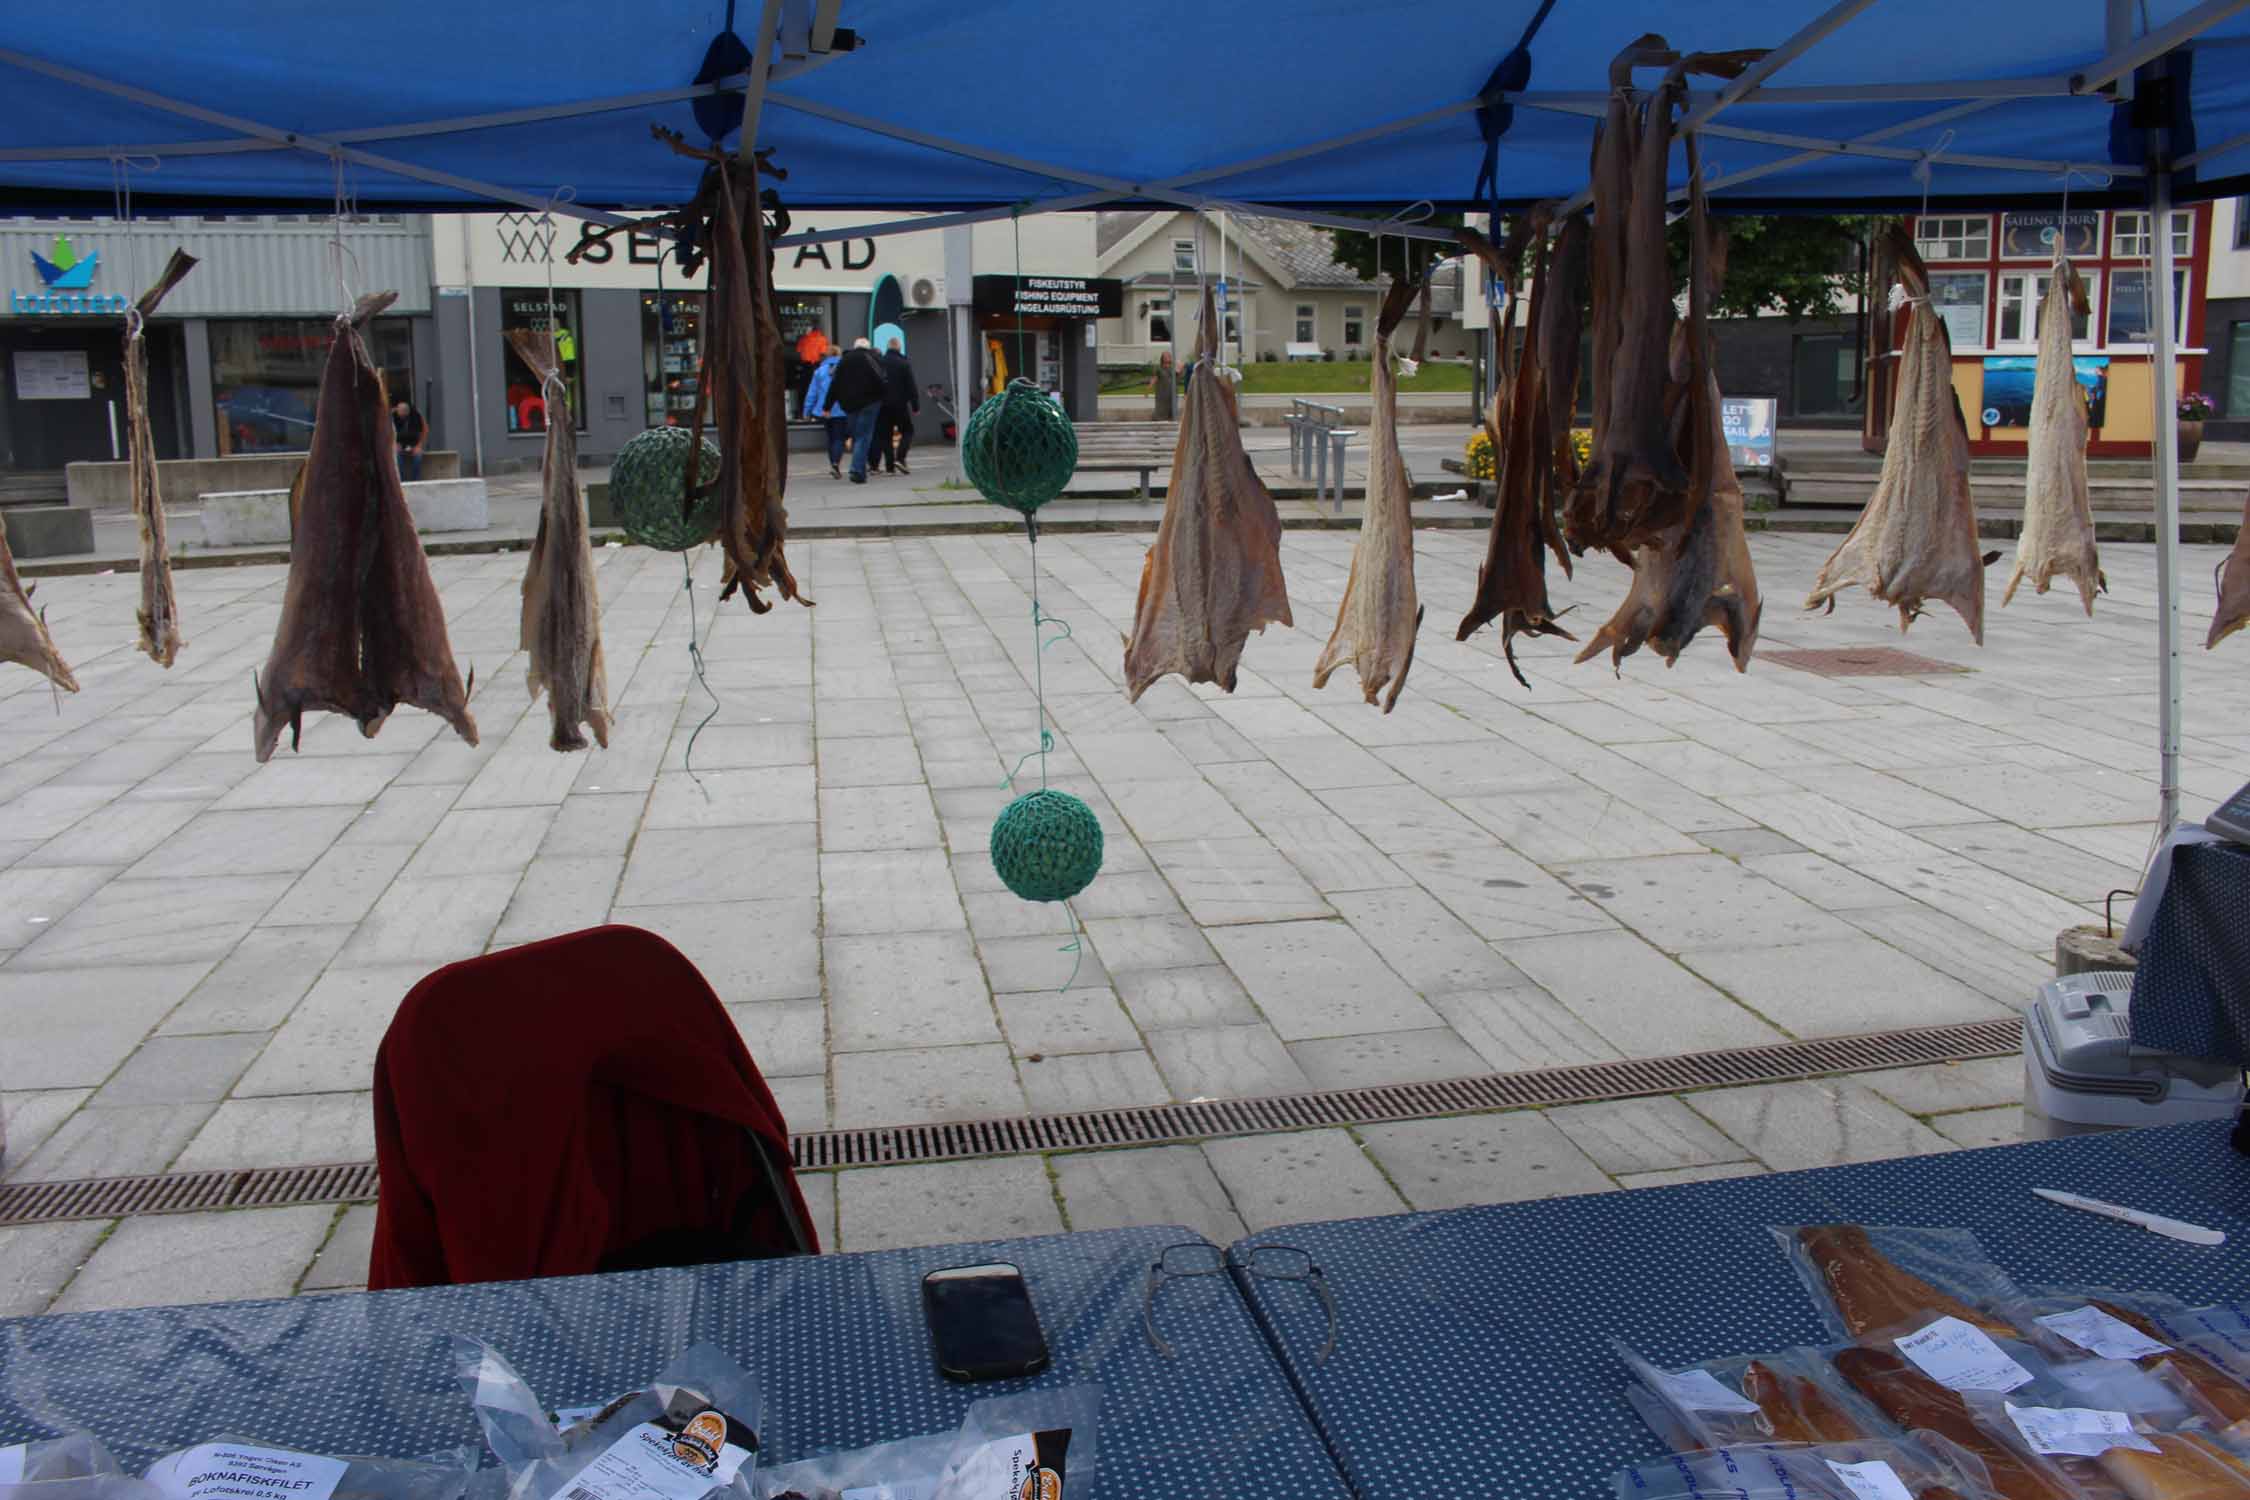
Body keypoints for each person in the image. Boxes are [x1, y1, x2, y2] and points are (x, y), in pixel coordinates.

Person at [828, 337, 888, 484]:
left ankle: (858, 468)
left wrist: (827, 405)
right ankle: (857, 470)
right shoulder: (872, 358)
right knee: (864, 436)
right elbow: (883, 379)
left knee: (857, 436)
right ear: (868, 347)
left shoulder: (844, 360)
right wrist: (882, 397)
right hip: (870, 403)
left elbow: (835, 384)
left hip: (850, 404)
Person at [802, 345, 847, 479]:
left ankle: (833, 463)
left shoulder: (819, 371)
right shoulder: (845, 370)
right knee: (839, 438)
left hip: (824, 410)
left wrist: (807, 410)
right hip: (842, 409)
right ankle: (835, 463)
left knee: (831, 437)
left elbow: (812, 393)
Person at [876, 337, 919, 475]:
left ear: (887, 347)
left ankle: (889, 467)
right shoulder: (903, 363)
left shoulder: (879, 363)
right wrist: (915, 405)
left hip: (882, 405)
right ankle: (900, 457)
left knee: (885, 436)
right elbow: (911, 386)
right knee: (907, 431)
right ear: (899, 348)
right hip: (900, 404)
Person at [392, 398, 428, 480]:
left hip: (414, 443)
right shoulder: (391, 416)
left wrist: (419, 445)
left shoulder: (416, 415)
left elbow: (425, 430)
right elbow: (386, 433)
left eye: (404, 416)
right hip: (398, 443)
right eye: (400, 415)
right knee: (396, 457)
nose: (402, 418)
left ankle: (416, 480)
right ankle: (401, 480)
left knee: (418, 457)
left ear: (408, 412)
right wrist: (394, 444)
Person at [1151, 349, 1176, 422]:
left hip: (1171, 394)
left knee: (1171, 410)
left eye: (1169, 356)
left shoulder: (1172, 369)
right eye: (1167, 356)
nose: (1169, 357)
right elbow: (1154, 378)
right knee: (1161, 410)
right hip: (1162, 394)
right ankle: (1156, 421)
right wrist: (1150, 386)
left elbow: (1178, 377)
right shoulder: (1159, 369)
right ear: (1162, 359)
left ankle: (1170, 421)